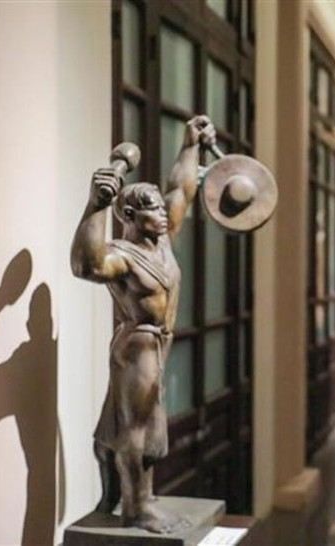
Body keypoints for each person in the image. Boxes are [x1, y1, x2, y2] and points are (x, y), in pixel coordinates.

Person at [70, 115, 216, 533]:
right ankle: (138, 507)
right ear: (130, 213)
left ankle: (113, 494)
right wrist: (96, 205)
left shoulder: (161, 239)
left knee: (122, 420)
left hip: (158, 343)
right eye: (152, 208)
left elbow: (182, 189)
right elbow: (86, 264)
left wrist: (191, 145)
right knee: (140, 426)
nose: (164, 213)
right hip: (139, 344)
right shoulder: (121, 254)